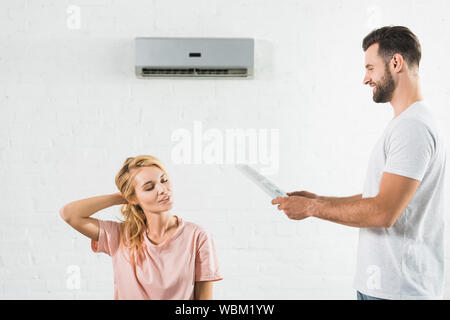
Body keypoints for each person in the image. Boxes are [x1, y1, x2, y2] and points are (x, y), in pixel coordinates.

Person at [272, 26, 446, 300]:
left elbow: (383, 212)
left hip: (398, 292)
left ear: (396, 62)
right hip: (385, 288)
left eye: (370, 68)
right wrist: (319, 198)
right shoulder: (409, 123)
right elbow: (380, 198)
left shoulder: (412, 127)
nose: (366, 79)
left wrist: (312, 207)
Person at [60, 155, 223, 299]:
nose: (162, 190)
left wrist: (136, 193)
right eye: (149, 187)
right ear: (132, 197)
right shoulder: (120, 235)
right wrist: (119, 197)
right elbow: (69, 214)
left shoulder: (197, 236)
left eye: (164, 180)